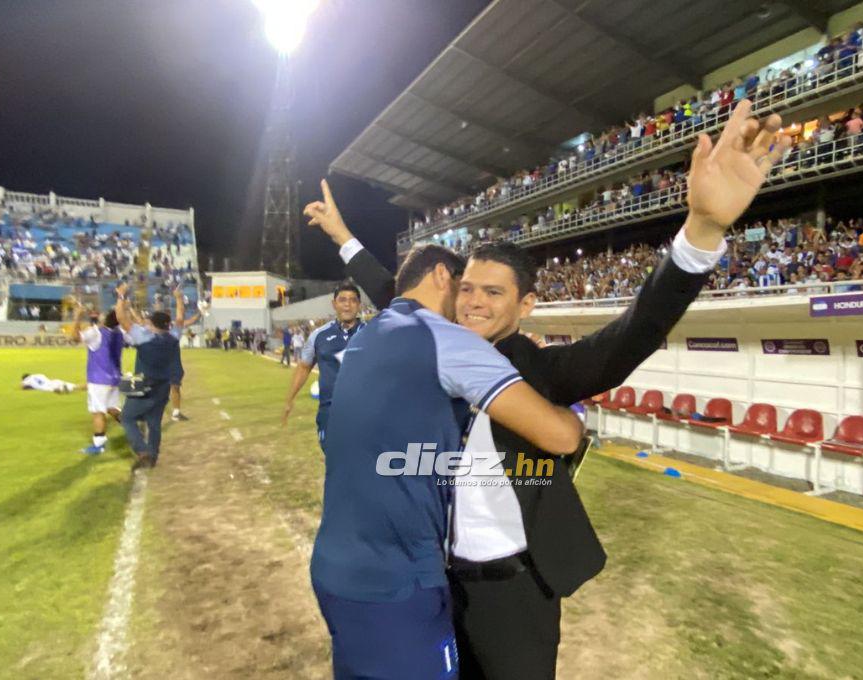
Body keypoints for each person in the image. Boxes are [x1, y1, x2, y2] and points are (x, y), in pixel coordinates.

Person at [305, 98, 792, 678]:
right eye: (466, 290)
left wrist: (703, 230)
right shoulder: (425, 347)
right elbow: (396, 293)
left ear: (526, 305)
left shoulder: (543, 372)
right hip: (436, 585)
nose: (473, 303)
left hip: (514, 594)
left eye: (492, 293)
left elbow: (634, 332)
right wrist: (341, 236)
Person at [301, 235, 584, 678]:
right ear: (440, 276)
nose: (470, 303)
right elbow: (560, 438)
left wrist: (344, 238)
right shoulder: (447, 340)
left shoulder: (368, 333)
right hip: (398, 583)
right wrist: (573, 419)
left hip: (333, 569)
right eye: (465, 287)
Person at [281, 281, 363, 451]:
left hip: (363, 412)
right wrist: (290, 399)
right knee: (335, 461)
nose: (347, 305)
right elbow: (304, 367)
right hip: (330, 413)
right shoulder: (318, 336)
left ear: (359, 305)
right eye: (342, 300)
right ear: (334, 304)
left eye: (353, 300)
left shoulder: (373, 333)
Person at [114, 282, 180, 470]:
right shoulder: (173, 336)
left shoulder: (144, 337)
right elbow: (181, 318)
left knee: (127, 418)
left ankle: (143, 452)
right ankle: (153, 455)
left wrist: (121, 296)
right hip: (163, 385)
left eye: (149, 322)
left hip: (145, 385)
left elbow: (120, 318)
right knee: (154, 422)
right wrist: (178, 299)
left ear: (152, 325)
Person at [68, 302, 124, 455]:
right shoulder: (118, 333)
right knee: (112, 407)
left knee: (98, 412)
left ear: (105, 320)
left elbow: (74, 339)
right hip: (114, 378)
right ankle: (132, 426)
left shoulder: (96, 332)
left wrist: (77, 317)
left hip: (99, 379)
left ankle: (98, 445)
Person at [169, 288, 201, 422]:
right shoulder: (173, 331)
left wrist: (200, 313)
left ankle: (175, 412)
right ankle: (174, 412)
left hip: (163, 363)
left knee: (174, 387)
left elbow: (187, 320)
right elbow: (182, 317)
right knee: (174, 387)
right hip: (171, 363)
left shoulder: (154, 330)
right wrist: (179, 299)